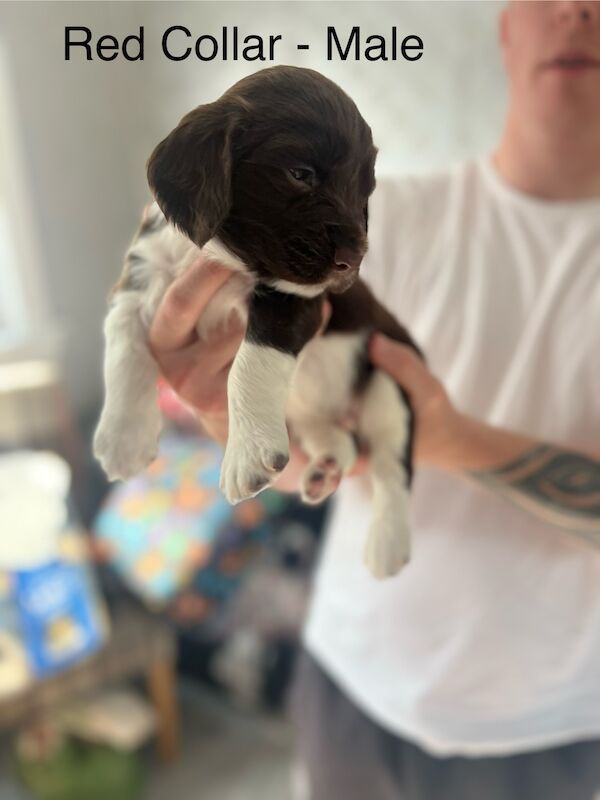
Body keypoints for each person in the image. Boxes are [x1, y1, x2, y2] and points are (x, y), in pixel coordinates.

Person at [148, 2, 600, 797]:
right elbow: (319, 456)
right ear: (505, 27)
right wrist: (233, 421)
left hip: (553, 733)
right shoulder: (373, 222)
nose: (577, 12)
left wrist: (450, 439)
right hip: (351, 691)